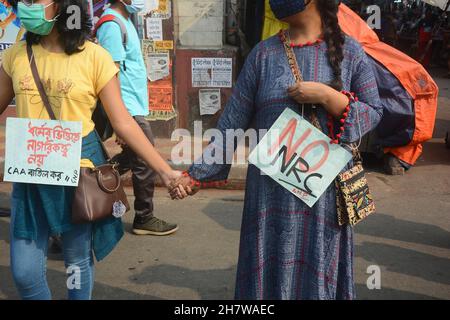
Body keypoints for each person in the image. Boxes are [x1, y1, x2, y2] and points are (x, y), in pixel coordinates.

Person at [171, 0, 383, 299]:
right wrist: (196, 174)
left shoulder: (351, 52)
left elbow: (373, 112)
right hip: (269, 195)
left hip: (324, 194)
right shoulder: (263, 54)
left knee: (317, 271)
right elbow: (233, 121)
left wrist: (326, 96)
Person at [0, 0, 186, 300]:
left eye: (36, 1)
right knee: (24, 273)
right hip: (29, 178)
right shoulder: (16, 55)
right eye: (25, 1)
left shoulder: (96, 57)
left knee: (76, 264)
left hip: (78, 181)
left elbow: (123, 122)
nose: (27, 6)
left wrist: (165, 171)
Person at [96, 0, 178, 236]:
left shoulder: (126, 21)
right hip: (126, 107)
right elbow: (108, 75)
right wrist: (120, 121)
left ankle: (93, 182)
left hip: (133, 105)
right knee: (144, 157)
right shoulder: (111, 24)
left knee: (135, 158)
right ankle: (144, 217)